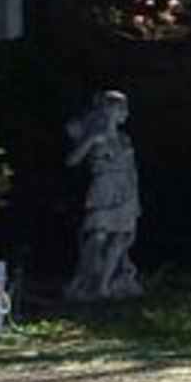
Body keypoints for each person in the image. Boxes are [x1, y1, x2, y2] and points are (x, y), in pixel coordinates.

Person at [62, 90, 142, 301]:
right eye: (121, 108)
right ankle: (87, 280)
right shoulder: (94, 136)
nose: (125, 113)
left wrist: (135, 198)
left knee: (120, 237)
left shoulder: (124, 138)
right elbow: (72, 161)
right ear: (109, 111)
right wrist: (91, 141)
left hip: (126, 189)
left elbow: (132, 168)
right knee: (98, 234)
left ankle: (104, 286)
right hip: (104, 188)